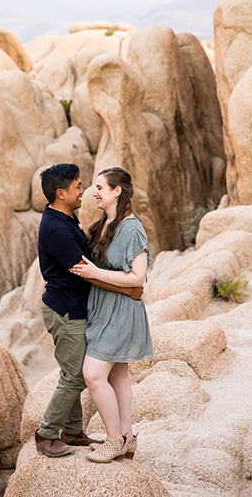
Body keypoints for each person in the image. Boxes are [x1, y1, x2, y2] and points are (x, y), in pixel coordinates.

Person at [34, 163, 143, 457]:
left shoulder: (66, 217)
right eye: (78, 186)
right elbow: (87, 272)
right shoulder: (56, 228)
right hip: (66, 310)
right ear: (61, 193)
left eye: (91, 185)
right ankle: (46, 435)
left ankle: (72, 432)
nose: (83, 190)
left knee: (78, 371)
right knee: (76, 375)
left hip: (77, 308)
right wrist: (129, 288)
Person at [69, 166, 153, 463]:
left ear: (117, 191)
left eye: (101, 188)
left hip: (121, 311)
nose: (95, 192)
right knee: (117, 373)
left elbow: (137, 278)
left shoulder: (131, 228)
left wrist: (94, 272)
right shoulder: (105, 223)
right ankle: (127, 437)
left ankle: (113, 439)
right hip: (104, 308)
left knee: (92, 375)